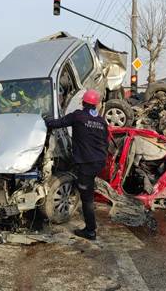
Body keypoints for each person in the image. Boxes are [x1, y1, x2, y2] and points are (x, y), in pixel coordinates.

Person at [44, 89, 108, 241]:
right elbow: (105, 142)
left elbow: (56, 123)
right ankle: (79, 186)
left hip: (87, 163)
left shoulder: (78, 116)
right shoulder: (101, 121)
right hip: (99, 162)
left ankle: (90, 231)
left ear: (83, 102)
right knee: (85, 184)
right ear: (96, 105)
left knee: (87, 199)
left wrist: (44, 120)